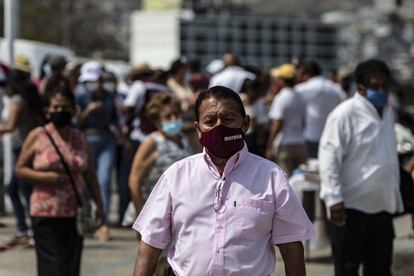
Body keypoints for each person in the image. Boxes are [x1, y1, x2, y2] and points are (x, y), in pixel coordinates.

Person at [132, 86, 315, 276]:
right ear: (198, 129)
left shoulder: (271, 177)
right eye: (210, 121)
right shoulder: (176, 176)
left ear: (245, 124)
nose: (219, 127)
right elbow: (149, 247)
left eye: (228, 119)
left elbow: (292, 247)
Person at [319, 59, 403, 276]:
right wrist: (334, 198)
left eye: (385, 86)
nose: (382, 91)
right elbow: (329, 156)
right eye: (376, 86)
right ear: (361, 88)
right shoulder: (345, 113)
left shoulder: (387, 113)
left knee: (380, 268)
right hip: (351, 207)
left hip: (382, 206)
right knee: (347, 268)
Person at [15, 86, 104, 276]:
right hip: (45, 212)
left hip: (74, 212)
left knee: (70, 266)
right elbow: (20, 169)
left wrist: (99, 207)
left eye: (64, 107)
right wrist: (46, 177)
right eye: (55, 107)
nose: (59, 111)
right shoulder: (38, 135)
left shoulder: (79, 138)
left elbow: (90, 174)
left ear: (73, 110)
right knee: (52, 266)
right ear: (47, 110)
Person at [1, 67, 45, 249]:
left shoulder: (18, 101)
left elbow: (10, 126)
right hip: (27, 148)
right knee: (16, 189)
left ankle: (30, 232)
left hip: (23, 149)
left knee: (22, 191)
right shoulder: (27, 99)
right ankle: (24, 230)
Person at [75, 61, 119, 240]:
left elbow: (115, 119)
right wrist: (89, 111)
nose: (90, 84)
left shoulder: (109, 95)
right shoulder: (80, 94)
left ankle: (103, 222)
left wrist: (123, 139)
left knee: (104, 181)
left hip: (106, 138)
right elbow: (76, 122)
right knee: (85, 183)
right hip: (86, 139)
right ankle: (85, 219)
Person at [129, 92, 192, 215]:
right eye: (168, 116)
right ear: (157, 121)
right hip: (154, 212)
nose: (174, 119)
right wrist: (140, 217)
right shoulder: (152, 143)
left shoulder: (185, 140)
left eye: (176, 114)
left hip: (178, 210)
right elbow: (134, 181)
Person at [295, 61, 343, 158]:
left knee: (312, 169)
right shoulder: (335, 88)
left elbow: (290, 94)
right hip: (332, 136)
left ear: (306, 74)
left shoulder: (305, 88)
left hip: (312, 135)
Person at [266, 64, 307, 176]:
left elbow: (277, 123)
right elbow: (303, 123)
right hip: (300, 143)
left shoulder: (281, 97)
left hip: (285, 144)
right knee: (299, 178)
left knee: (286, 179)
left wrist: (269, 146)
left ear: (281, 80)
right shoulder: (301, 97)